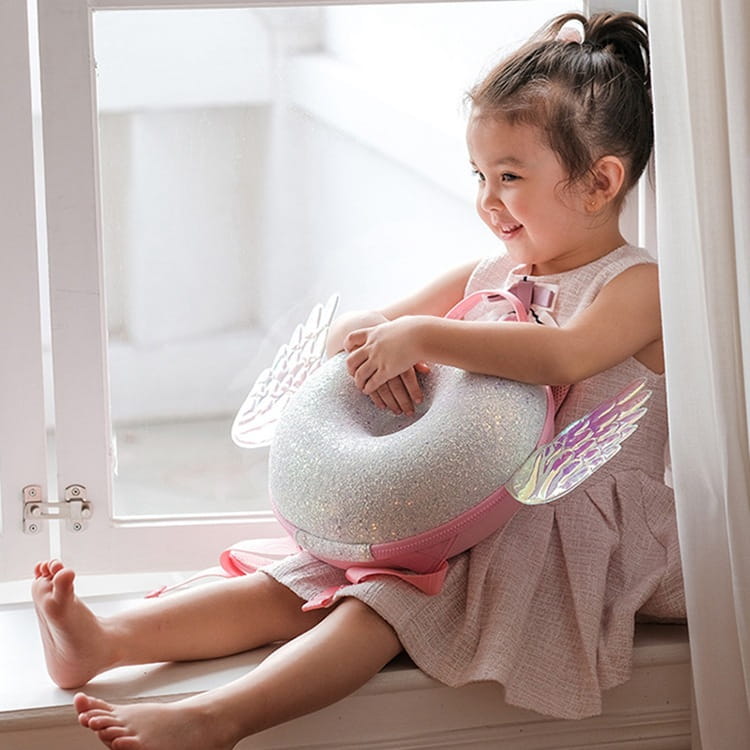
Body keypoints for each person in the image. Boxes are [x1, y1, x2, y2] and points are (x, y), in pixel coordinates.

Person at [32, 11, 684, 750]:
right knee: (301, 579)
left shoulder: (635, 284)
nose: (487, 199)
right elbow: (357, 332)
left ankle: (218, 718)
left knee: (382, 604)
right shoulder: (491, 273)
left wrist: (427, 339)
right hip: (469, 506)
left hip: (558, 520)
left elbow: (565, 358)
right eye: (479, 174)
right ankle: (107, 639)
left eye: (510, 177)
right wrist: (378, 358)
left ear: (600, 182)